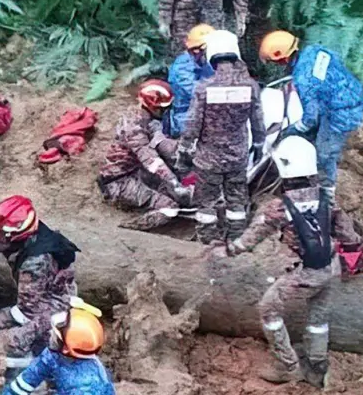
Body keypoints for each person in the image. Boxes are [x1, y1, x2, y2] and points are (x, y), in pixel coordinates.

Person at [226, 138, 360, 387]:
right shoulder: (326, 198)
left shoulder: (279, 207)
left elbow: (250, 239)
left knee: (268, 309)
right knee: (318, 317)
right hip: (331, 268)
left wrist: (230, 250)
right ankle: (317, 365)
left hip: (305, 274)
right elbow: (349, 236)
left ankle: (287, 366)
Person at [258, 30, 363, 197]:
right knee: (314, 138)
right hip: (358, 97)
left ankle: (327, 194)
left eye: (276, 63)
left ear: (282, 59)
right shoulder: (316, 50)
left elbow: (310, 119)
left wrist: (288, 131)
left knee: (324, 154)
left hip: (340, 114)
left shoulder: (303, 79)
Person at [180, 30, 264, 244]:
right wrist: (259, 144)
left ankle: (207, 242)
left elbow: (192, 125)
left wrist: (185, 151)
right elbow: (258, 122)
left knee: (206, 203)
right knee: (236, 201)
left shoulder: (204, 89)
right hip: (237, 157)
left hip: (208, 159)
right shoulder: (251, 87)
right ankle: (236, 240)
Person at [0, 195, 80, 383]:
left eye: (2, 237)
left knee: (16, 341)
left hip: (56, 305)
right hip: (52, 288)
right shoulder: (31, 230)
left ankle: (29, 380)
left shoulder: (34, 263)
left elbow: (26, 310)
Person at [98, 79, 194, 228]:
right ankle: (129, 229)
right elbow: (150, 158)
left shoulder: (148, 119)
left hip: (138, 172)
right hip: (118, 181)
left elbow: (163, 144)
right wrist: (173, 182)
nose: (165, 111)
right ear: (153, 105)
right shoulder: (133, 127)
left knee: (175, 187)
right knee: (170, 208)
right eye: (163, 108)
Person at [167, 24, 216, 137]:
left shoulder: (204, 63)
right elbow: (196, 93)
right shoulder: (182, 67)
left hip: (206, 116)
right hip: (186, 119)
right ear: (198, 50)